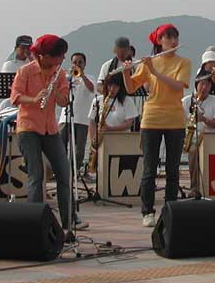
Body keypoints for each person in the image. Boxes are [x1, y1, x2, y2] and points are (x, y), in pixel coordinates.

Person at [10, 34, 86, 231]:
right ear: (44, 56)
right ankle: (35, 222)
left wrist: (56, 90)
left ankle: (69, 220)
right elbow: (15, 97)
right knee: (36, 175)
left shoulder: (59, 74)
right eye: (58, 56)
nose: (61, 59)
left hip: (50, 128)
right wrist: (34, 99)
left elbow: (63, 102)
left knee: (64, 172)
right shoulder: (25, 71)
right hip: (28, 128)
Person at [123, 23, 190, 227]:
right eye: (168, 37)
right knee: (149, 169)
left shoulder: (184, 62)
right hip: (151, 118)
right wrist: (126, 72)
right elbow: (131, 88)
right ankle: (147, 211)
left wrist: (154, 71)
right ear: (160, 41)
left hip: (175, 119)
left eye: (175, 37)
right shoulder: (149, 62)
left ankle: (170, 210)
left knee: (172, 169)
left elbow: (178, 86)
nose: (173, 41)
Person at [182, 69, 215, 198]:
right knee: (193, 150)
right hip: (191, 137)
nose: (204, 88)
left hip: (210, 137)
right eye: (202, 84)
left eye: (208, 85)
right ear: (196, 84)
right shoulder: (186, 101)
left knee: (195, 150)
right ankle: (194, 187)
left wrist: (203, 119)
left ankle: (204, 187)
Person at [87, 73, 139, 174]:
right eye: (109, 85)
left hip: (122, 141)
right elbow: (92, 122)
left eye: (115, 86)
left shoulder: (127, 101)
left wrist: (110, 129)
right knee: (102, 171)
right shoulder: (97, 100)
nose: (112, 89)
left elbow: (129, 123)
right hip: (102, 141)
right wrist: (93, 140)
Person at [59, 52, 96, 174]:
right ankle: (62, 170)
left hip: (82, 119)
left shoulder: (90, 78)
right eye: (75, 62)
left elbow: (91, 88)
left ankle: (74, 171)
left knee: (79, 149)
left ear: (85, 64)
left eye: (80, 62)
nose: (77, 64)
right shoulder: (67, 78)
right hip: (65, 117)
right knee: (60, 145)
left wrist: (82, 75)